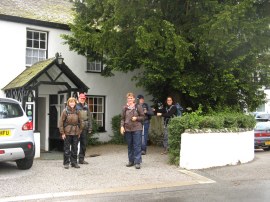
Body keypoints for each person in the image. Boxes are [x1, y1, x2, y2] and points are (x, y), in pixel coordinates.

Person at [120, 92, 145, 169]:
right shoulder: (124, 107)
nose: (130, 99)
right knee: (130, 145)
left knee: (137, 145)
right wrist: (121, 126)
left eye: (131, 98)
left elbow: (143, 117)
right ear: (127, 99)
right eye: (128, 98)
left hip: (137, 128)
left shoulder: (138, 106)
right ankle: (131, 161)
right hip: (128, 129)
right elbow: (122, 118)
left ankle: (137, 162)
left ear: (134, 99)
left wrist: (136, 118)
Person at [59, 97, 83, 169]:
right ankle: (66, 163)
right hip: (67, 132)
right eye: (70, 102)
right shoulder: (65, 111)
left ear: (75, 103)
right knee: (67, 148)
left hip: (76, 132)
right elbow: (61, 122)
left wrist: (79, 132)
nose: (72, 103)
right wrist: (62, 133)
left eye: (73, 102)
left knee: (75, 148)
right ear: (68, 103)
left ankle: (74, 162)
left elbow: (81, 122)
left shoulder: (78, 111)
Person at [76, 93, 92, 164]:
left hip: (85, 127)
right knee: (74, 144)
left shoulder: (86, 107)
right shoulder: (75, 107)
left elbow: (89, 118)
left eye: (83, 98)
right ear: (78, 99)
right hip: (77, 127)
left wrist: (90, 127)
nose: (82, 99)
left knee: (84, 144)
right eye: (81, 98)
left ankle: (81, 159)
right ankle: (73, 160)